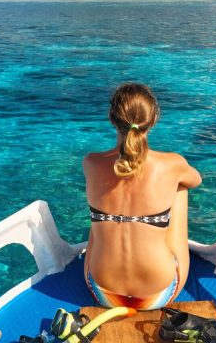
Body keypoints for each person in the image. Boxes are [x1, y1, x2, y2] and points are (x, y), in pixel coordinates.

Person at [83, 83, 202, 310]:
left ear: (111, 118)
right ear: (154, 118)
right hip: (160, 293)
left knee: (101, 213)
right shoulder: (172, 164)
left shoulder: (91, 162)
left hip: (101, 291)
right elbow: (197, 180)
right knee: (180, 186)